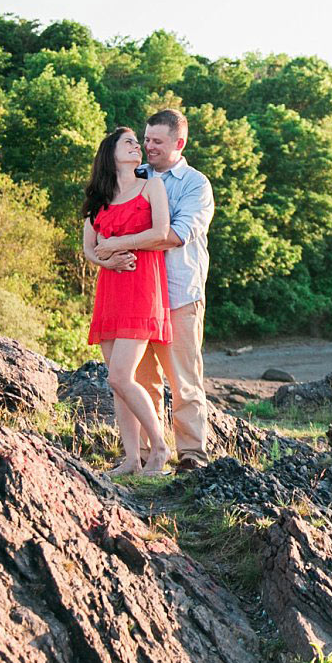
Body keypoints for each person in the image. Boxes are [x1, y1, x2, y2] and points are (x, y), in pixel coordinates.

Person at [93, 109, 214, 472]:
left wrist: (120, 244)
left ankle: (191, 455)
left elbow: (175, 235)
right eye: (146, 140)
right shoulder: (135, 177)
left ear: (180, 143)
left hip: (178, 294)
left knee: (183, 381)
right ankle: (145, 455)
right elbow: (102, 227)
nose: (148, 147)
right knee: (139, 379)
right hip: (138, 295)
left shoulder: (196, 184)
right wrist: (107, 253)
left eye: (157, 142)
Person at [83, 127, 174, 476]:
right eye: (129, 142)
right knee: (116, 380)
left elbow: (161, 232)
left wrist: (121, 245)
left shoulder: (151, 186)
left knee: (121, 375)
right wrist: (106, 260)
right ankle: (132, 459)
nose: (138, 145)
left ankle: (161, 448)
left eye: (139, 142)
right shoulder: (98, 199)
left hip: (141, 287)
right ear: (110, 152)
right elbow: (90, 249)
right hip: (110, 289)